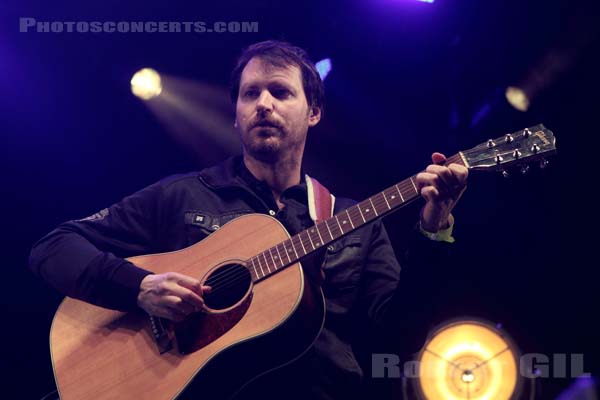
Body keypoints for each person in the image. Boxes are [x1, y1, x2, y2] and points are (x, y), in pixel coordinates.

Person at [29, 40, 468, 399]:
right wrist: (139, 287)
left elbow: (402, 336)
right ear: (236, 114)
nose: (263, 104)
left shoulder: (354, 221)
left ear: (313, 113)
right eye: (250, 93)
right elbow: (53, 247)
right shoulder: (183, 195)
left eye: (280, 92)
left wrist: (434, 227)